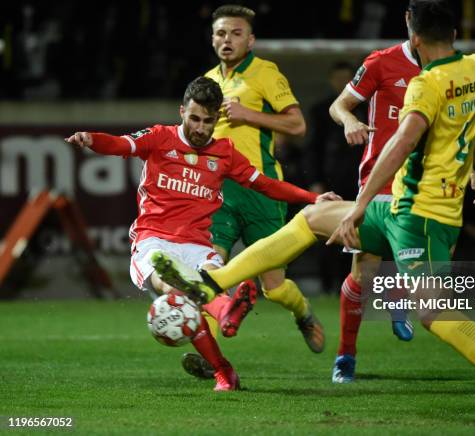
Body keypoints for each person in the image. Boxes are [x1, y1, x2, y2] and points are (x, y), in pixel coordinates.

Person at [153, 0, 475, 425]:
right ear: (456, 35)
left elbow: (401, 144)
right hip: (407, 207)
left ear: (414, 34)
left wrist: (360, 206)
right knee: (311, 218)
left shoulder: (425, 84)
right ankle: (210, 285)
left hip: (417, 218)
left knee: (436, 315)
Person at [65, 76, 338, 391]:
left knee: (190, 294)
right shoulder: (159, 137)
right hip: (153, 239)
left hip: (197, 245)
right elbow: (121, 144)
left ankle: (225, 368)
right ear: (182, 111)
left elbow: (265, 184)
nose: (200, 127)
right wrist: (91, 139)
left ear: (216, 119)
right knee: (173, 283)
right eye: (194, 118)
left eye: (208, 121)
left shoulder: (224, 152)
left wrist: (312, 198)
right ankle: (224, 314)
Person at [202, 5, 326, 355]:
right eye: (221, 33)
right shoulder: (208, 81)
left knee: (273, 286)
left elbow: (297, 126)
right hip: (220, 191)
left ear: (251, 39)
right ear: (213, 39)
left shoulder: (266, 73)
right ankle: (213, 361)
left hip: (262, 191)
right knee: (211, 268)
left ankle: (302, 312)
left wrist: (248, 115)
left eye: (236, 33)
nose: (228, 40)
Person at [327, 35, 422, 383]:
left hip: (425, 182)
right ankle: (345, 356)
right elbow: (339, 105)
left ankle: (398, 292)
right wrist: (350, 121)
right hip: (379, 181)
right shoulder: (381, 62)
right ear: (410, 25)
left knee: (431, 265)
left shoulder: (449, 70)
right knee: (363, 273)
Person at [306, 61, 364, 294]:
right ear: (331, 80)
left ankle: (353, 283)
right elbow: (313, 149)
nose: (342, 83)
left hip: (360, 183)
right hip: (331, 183)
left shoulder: (368, 108)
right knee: (328, 235)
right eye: (338, 78)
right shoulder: (322, 111)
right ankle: (328, 286)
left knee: (357, 235)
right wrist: (315, 181)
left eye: (346, 79)